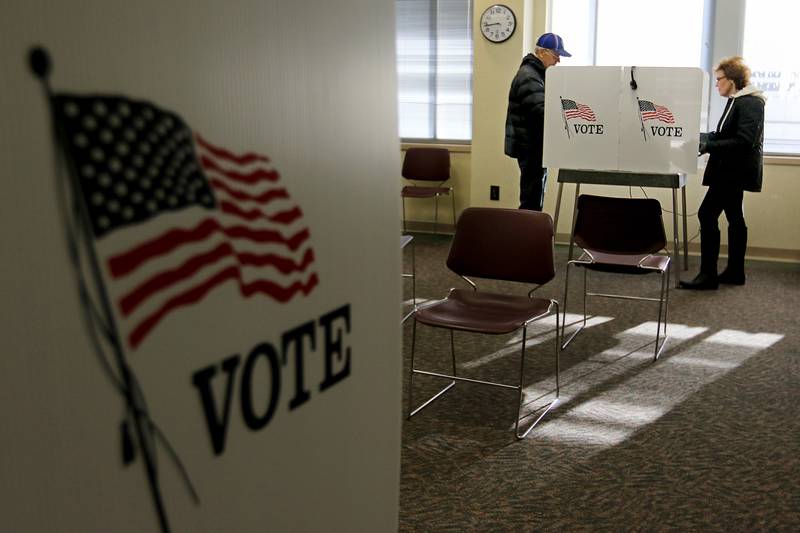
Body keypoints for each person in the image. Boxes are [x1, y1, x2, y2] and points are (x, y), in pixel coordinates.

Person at [680, 56, 765, 290]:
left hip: (732, 173)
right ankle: (735, 272)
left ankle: (708, 276)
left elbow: (744, 141)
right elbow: (727, 134)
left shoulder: (750, 103)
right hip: (730, 171)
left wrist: (708, 145)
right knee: (735, 217)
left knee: (707, 214)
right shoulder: (739, 100)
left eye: (719, 79)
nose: (716, 84)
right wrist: (703, 138)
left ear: (732, 79)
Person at [504, 33, 570, 211]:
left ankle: (527, 234)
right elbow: (539, 112)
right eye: (556, 56)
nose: (558, 61)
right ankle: (526, 236)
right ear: (542, 53)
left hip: (532, 146)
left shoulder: (536, 74)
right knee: (531, 200)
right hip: (531, 146)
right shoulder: (530, 76)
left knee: (533, 195)